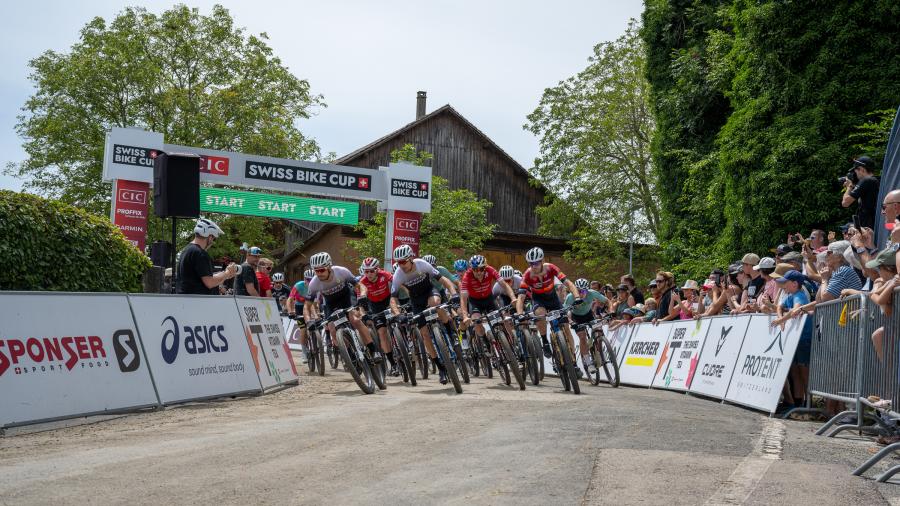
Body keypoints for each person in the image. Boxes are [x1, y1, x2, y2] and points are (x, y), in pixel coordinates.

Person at [389, 244, 459, 385]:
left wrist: (454, 293)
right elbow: (393, 299)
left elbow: (443, 280)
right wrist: (397, 314)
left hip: (429, 292)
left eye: (403, 261)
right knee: (425, 335)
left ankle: (451, 333)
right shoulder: (398, 274)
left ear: (411, 259)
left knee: (436, 303)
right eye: (398, 262)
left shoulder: (421, 264)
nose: (401, 265)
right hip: (416, 301)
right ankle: (441, 368)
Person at [305, 252, 381, 363]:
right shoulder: (314, 283)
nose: (319, 274)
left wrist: (363, 295)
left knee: (355, 320)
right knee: (331, 328)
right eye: (316, 271)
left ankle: (373, 350)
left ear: (329, 267)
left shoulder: (341, 271)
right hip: (330, 303)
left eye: (322, 270)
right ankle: (349, 354)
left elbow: (360, 286)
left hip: (346, 298)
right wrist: (308, 321)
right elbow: (307, 306)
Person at [515, 247, 580, 360]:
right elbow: (520, 297)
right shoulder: (527, 275)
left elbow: (568, 283)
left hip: (553, 299)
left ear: (542, 261)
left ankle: (573, 358)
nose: (534, 266)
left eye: (536, 262)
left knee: (566, 326)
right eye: (531, 263)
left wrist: (577, 297)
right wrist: (520, 313)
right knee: (540, 313)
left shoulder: (551, 268)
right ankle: (545, 341)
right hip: (539, 299)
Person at [771, 270, 814, 412]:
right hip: (795, 338)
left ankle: (808, 403)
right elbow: (780, 306)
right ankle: (797, 403)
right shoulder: (790, 295)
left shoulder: (799, 296)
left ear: (794, 284)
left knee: (804, 371)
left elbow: (795, 311)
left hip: (804, 337)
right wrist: (781, 319)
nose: (783, 284)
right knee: (795, 370)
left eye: (786, 282)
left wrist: (781, 320)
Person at [459, 255, 517, 351]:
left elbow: (505, 285)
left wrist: (513, 298)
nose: (478, 272)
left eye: (481, 269)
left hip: (489, 299)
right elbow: (463, 298)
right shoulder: (467, 276)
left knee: (501, 319)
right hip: (475, 302)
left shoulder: (490, 270)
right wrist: (465, 316)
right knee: (476, 321)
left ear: (485, 267)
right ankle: (484, 340)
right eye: (475, 269)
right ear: (471, 269)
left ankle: (512, 342)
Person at [357, 257, 399, 375]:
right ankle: (393, 364)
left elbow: (398, 283)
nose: (369, 274)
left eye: (372, 271)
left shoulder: (385, 275)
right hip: (375, 306)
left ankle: (405, 341)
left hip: (388, 300)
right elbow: (360, 302)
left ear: (377, 269)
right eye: (366, 271)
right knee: (381, 333)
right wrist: (363, 314)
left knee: (400, 320)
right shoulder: (362, 282)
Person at [176, 218, 238, 295]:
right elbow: (210, 282)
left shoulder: (187, 249)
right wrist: (227, 272)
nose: (212, 242)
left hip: (187, 300)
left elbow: (204, 277)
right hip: (198, 302)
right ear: (210, 236)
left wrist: (224, 275)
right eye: (213, 239)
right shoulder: (200, 253)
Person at [565, 278, 608, 373]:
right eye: (579, 291)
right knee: (582, 337)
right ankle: (588, 363)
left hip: (589, 315)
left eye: (584, 291)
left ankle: (598, 347)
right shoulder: (570, 297)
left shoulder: (592, 293)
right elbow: (564, 313)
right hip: (576, 317)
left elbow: (607, 301)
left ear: (587, 290)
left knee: (598, 329)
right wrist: (571, 322)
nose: (581, 293)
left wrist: (612, 311)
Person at [842, 156, 880, 230]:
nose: (855, 174)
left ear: (862, 169)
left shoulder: (866, 180)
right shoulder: (877, 180)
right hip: (875, 224)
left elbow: (845, 203)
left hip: (868, 226)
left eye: (856, 171)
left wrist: (849, 186)